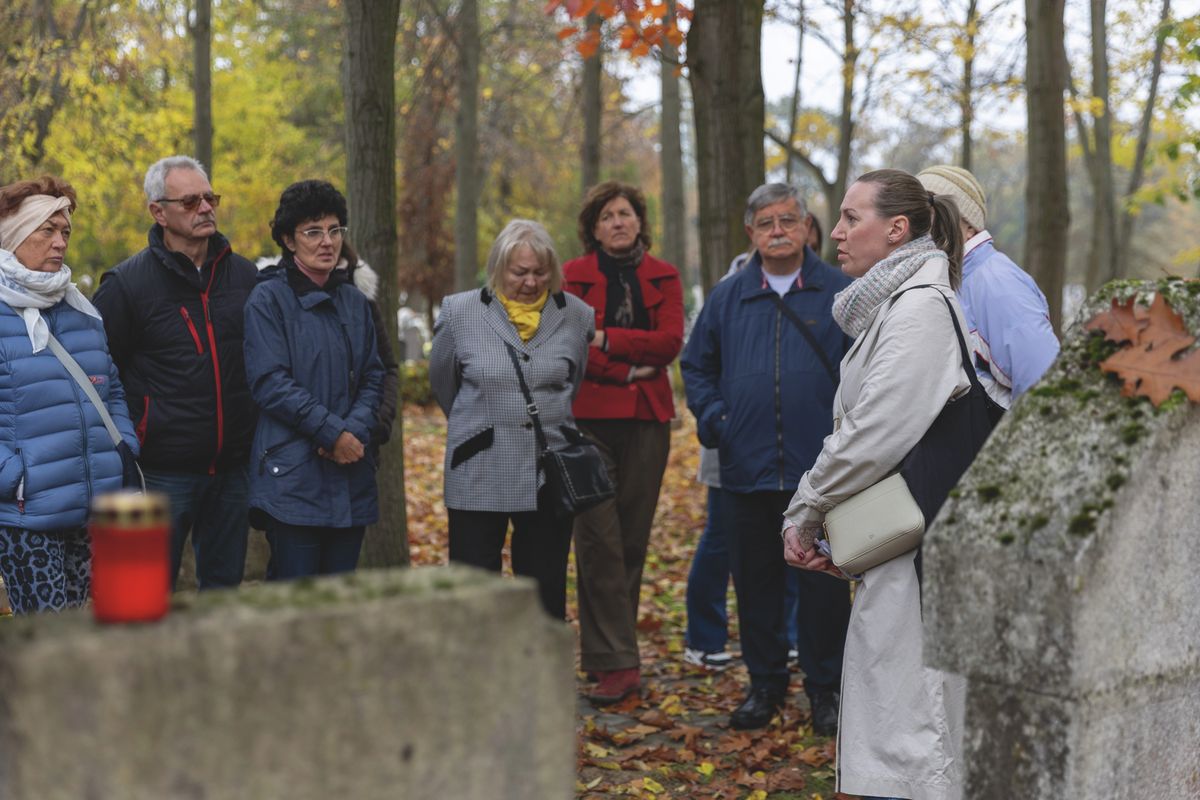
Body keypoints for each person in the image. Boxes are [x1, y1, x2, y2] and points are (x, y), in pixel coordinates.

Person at [784, 169, 974, 799]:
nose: (833, 232)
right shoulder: (895, 304)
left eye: (850, 218)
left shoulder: (920, 308)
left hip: (919, 546)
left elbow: (873, 432)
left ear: (896, 230)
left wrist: (807, 504)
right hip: (896, 535)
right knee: (902, 714)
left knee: (916, 725)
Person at [681, 183, 853, 733]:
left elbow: (870, 368)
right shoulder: (728, 297)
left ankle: (826, 691)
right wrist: (716, 422)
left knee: (825, 587)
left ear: (807, 227)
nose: (777, 231)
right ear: (750, 233)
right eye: (765, 223)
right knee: (755, 582)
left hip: (824, 472)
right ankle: (765, 686)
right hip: (746, 469)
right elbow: (697, 367)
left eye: (787, 220)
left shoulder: (842, 293)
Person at [93, 155, 258, 590]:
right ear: (158, 212)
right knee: (143, 595)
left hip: (232, 471)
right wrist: (135, 439)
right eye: (189, 201)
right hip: (159, 474)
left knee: (223, 598)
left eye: (209, 197)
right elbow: (97, 376)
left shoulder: (244, 277)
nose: (205, 208)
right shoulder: (127, 285)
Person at [430, 220, 593, 619]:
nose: (531, 281)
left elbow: (572, 383)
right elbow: (443, 384)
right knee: (474, 590)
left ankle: (537, 678)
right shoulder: (459, 312)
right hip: (477, 467)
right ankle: (479, 677)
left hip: (548, 473)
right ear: (498, 268)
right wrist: (487, 421)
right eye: (520, 272)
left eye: (540, 272)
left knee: (544, 589)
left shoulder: (577, 315)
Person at [564, 181, 684, 704]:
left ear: (640, 221)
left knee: (631, 541)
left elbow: (670, 342)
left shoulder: (665, 275)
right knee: (597, 539)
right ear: (593, 227)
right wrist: (630, 365)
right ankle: (618, 663)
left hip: (646, 421)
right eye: (608, 215)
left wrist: (606, 338)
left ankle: (612, 653)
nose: (618, 221)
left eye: (627, 213)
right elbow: (570, 346)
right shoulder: (569, 277)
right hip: (585, 419)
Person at [0, 176, 139, 613]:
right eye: (47, 230)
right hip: (30, 517)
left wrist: (124, 450)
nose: (60, 242)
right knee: (46, 647)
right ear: (15, 235)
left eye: (66, 232)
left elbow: (112, 388)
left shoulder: (80, 308)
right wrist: (13, 477)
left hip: (96, 510)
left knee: (91, 640)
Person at [242, 180, 384, 578]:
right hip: (293, 478)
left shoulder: (354, 302)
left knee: (337, 607)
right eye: (313, 232)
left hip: (350, 474)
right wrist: (331, 434)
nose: (328, 242)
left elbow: (374, 374)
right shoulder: (267, 300)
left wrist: (351, 432)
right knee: (295, 606)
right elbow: (271, 382)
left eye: (335, 230)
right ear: (289, 240)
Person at [917, 165, 1059, 407]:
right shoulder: (947, 279)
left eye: (931, 210)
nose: (919, 224)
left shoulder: (997, 282)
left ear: (970, 225)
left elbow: (1043, 388)